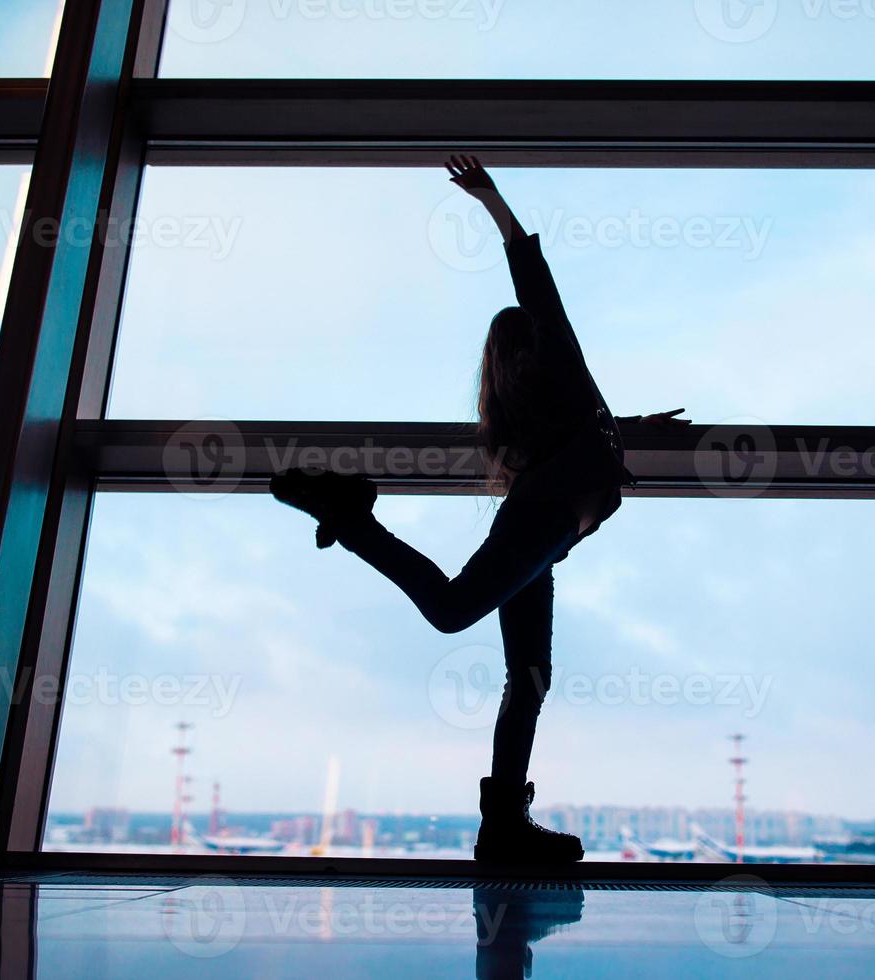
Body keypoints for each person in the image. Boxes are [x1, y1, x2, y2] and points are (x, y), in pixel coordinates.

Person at [271, 155, 686, 865]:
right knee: (452, 610)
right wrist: (494, 202)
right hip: (539, 526)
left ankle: (502, 828)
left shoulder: (576, 414)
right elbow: (537, 279)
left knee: (529, 680)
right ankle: (352, 514)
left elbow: (595, 427)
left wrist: (638, 428)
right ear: (533, 349)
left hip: (546, 537)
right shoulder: (565, 380)